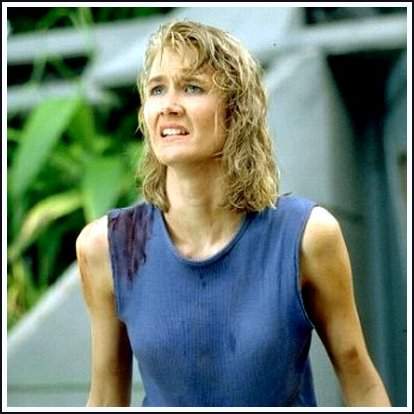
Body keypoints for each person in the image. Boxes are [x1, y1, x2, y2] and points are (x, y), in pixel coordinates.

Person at [76, 20, 391, 407]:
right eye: (157, 89)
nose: (169, 105)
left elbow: (361, 382)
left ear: (236, 111)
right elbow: (105, 398)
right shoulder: (108, 247)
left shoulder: (307, 236)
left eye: (192, 87)